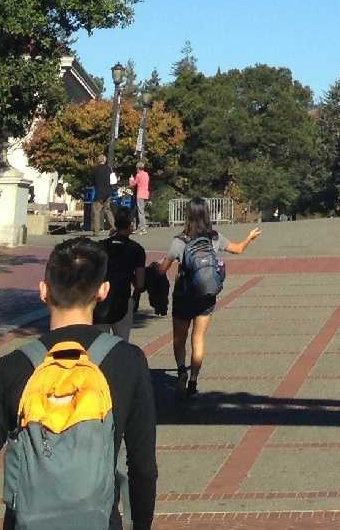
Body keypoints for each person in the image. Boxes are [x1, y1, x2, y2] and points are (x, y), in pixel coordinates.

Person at [0, 234, 156, 530]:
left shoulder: (14, 367)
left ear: (43, 291)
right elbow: (143, 468)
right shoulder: (128, 361)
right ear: (103, 291)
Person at [165, 199, 260, 401]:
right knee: (198, 338)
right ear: (207, 215)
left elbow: (162, 269)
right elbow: (238, 249)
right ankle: (193, 380)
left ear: (188, 216)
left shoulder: (179, 241)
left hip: (183, 295)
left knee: (179, 339)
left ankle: (181, 370)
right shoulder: (214, 238)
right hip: (206, 296)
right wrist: (249, 238)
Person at [96, 209, 148, 342]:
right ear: (130, 225)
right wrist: (135, 298)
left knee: (99, 345)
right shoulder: (136, 249)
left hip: (100, 301)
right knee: (122, 342)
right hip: (122, 300)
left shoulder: (101, 246)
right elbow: (140, 282)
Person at [132, 165, 151, 233]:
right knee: (142, 211)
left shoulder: (138, 175)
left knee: (140, 212)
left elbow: (133, 184)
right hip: (146, 194)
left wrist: (131, 179)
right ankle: (140, 227)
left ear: (138, 168)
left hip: (140, 194)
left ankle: (143, 228)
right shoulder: (146, 174)